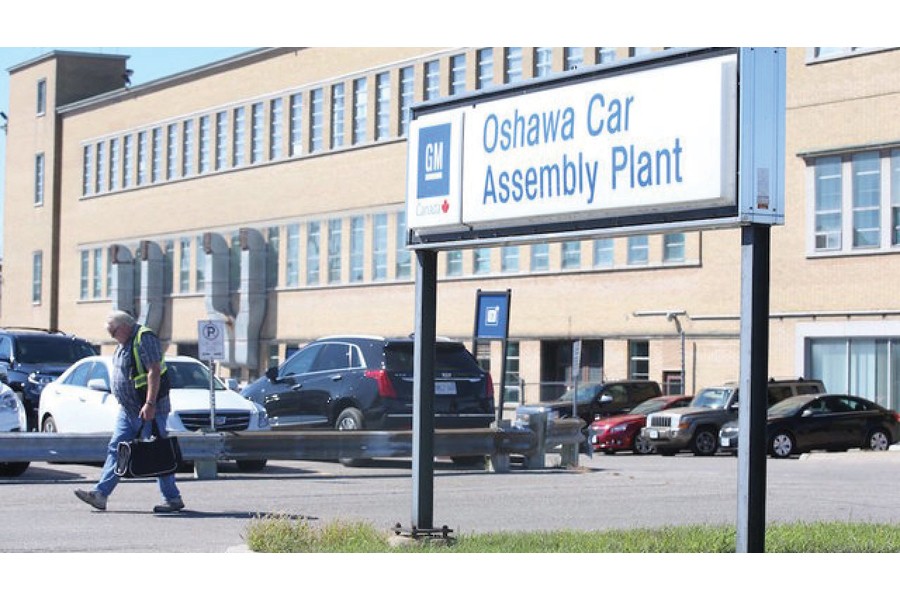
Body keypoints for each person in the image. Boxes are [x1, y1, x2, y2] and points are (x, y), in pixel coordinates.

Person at [74, 310, 185, 513]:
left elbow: (154, 371)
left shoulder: (144, 338)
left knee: (158, 451)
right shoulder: (124, 343)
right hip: (129, 409)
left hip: (150, 408)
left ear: (124, 326)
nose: (111, 336)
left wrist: (150, 404)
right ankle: (100, 494)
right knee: (117, 448)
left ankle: (172, 498)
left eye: (113, 331)